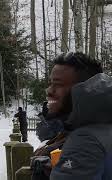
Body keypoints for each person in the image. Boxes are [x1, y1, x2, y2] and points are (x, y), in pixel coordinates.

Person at [31, 52, 112, 180]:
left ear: (84, 89)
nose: (49, 90)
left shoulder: (85, 140)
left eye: (58, 84)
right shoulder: (101, 128)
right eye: (50, 83)